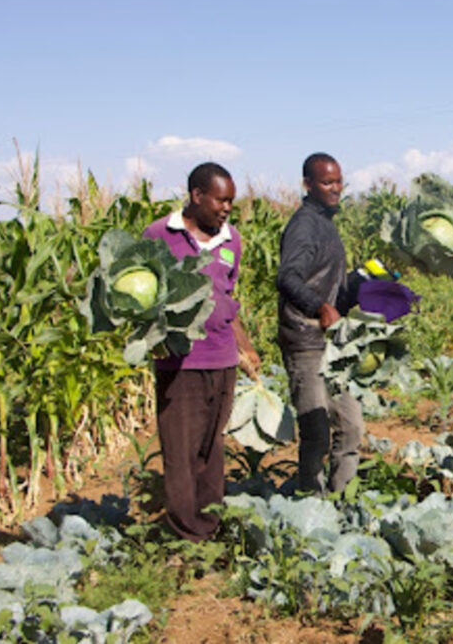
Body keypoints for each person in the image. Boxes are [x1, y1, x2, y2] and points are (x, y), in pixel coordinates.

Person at [142, 162, 260, 542]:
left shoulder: (232, 239)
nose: (227, 208)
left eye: (231, 202)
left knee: (211, 450)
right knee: (181, 453)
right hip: (180, 362)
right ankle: (185, 535)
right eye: (221, 200)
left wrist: (244, 346)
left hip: (222, 359)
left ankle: (209, 527)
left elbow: (227, 296)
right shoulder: (160, 235)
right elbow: (137, 296)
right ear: (196, 196)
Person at [276, 152, 363, 494]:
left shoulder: (325, 223)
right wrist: (319, 306)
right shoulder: (304, 225)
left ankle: (343, 497)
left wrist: (364, 283)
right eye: (327, 182)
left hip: (332, 344)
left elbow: (325, 282)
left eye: (339, 181)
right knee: (316, 432)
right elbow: (287, 278)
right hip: (306, 340)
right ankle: (311, 500)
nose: (335, 188)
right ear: (308, 185)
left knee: (351, 425)